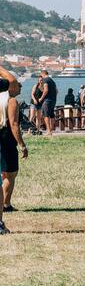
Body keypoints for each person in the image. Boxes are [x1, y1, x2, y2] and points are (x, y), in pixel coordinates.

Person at [1, 74, 28, 220]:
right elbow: (14, 124)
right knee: (11, 173)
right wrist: (22, 145)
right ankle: (5, 204)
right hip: (6, 138)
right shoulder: (11, 101)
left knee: (5, 172)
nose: (21, 87)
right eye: (19, 84)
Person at [37, 70, 58, 135]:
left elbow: (45, 90)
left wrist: (41, 98)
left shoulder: (45, 80)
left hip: (47, 100)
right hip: (53, 100)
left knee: (46, 115)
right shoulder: (52, 81)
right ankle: (51, 130)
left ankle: (48, 131)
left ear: (43, 74)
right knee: (52, 115)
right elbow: (56, 91)